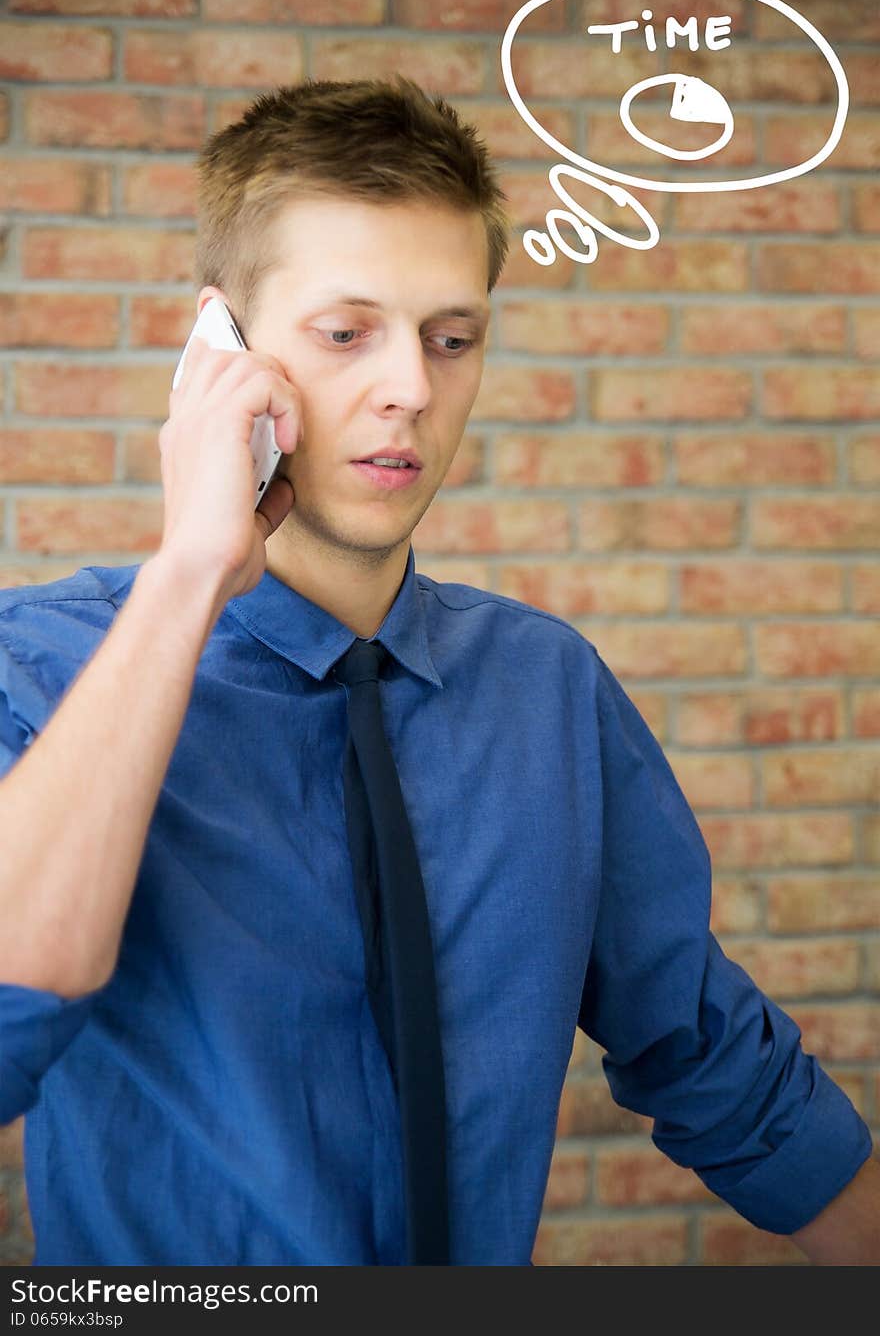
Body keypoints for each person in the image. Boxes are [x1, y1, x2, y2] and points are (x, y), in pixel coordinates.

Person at [0, 77, 877, 1268]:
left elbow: (718, 1066)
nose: (410, 385)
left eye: (450, 337)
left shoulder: (547, 691)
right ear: (224, 349)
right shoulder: (45, 664)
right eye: (346, 332)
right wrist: (193, 569)